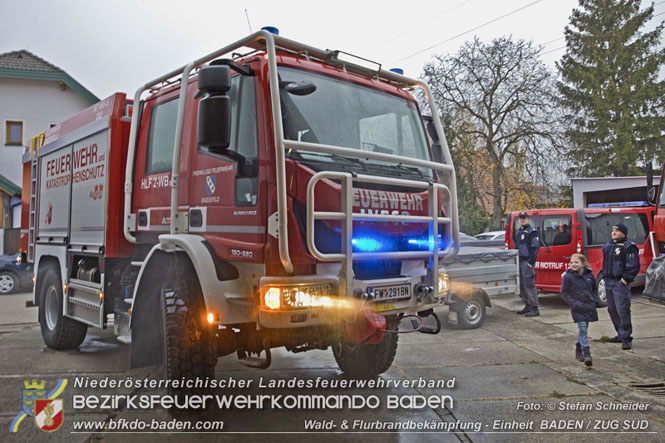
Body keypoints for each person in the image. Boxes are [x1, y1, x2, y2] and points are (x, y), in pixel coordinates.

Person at [602, 222, 640, 350]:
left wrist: (625, 279)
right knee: (612, 310)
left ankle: (626, 338)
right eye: (613, 230)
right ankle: (620, 333)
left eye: (617, 231)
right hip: (609, 282)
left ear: (623, 233)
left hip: (620, 283)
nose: (614, 233)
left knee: (622, 310)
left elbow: (633, 266)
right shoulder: (608, 245)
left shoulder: (628, 247)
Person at [560, 254, 600, 366]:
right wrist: (574, 303)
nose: (573, 264)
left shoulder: (589, 275)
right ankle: (587, 353)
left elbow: (594, 289)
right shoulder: (568, 277)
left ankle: (578, 349)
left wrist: (594, 300)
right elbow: (564, 293)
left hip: (588, 306)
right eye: (571, 262)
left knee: (584, 329)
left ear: (583, 264)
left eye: (576, 262)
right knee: (582, 329)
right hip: (577, 308)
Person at [514, 211, 540, 316]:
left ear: (528, 219)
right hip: (519, 261)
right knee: (522, 285)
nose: (522, 219)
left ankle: (535, 307)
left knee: (529, 284)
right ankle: (527, 305)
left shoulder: (532, 232)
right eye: (521, 218)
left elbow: (535, 247)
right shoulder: (518, 232)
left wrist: (531, 262)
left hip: (527, 261)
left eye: (524, 218)